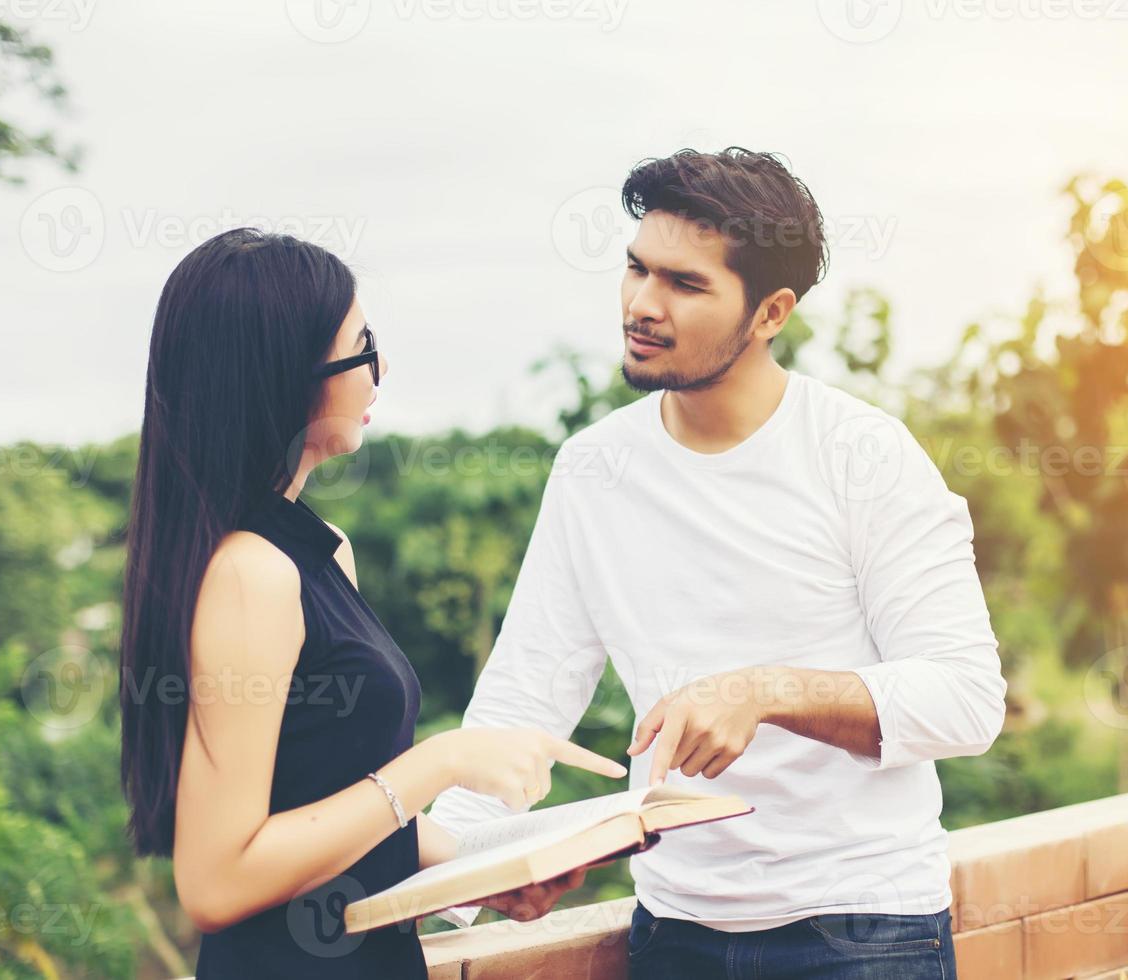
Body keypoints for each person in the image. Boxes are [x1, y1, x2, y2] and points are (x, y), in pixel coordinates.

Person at [429, 148, 1007, 978]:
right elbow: (524, 697)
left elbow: (964, 699)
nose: (641, 304)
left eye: (684, 285)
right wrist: (449, 878)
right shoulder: (594, 469)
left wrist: (763, 691)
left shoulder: (862, 454)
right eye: (636, 270)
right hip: (674, 932)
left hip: (863, 931)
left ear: (770, 312)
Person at [117, 228, 627, 979]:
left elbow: (334, 803)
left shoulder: (320, 551)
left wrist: (489, 868)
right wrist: (443, 760)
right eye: (360, 347)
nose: (380, 368)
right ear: (286, 378)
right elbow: (216, 882)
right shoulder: (249, 574)